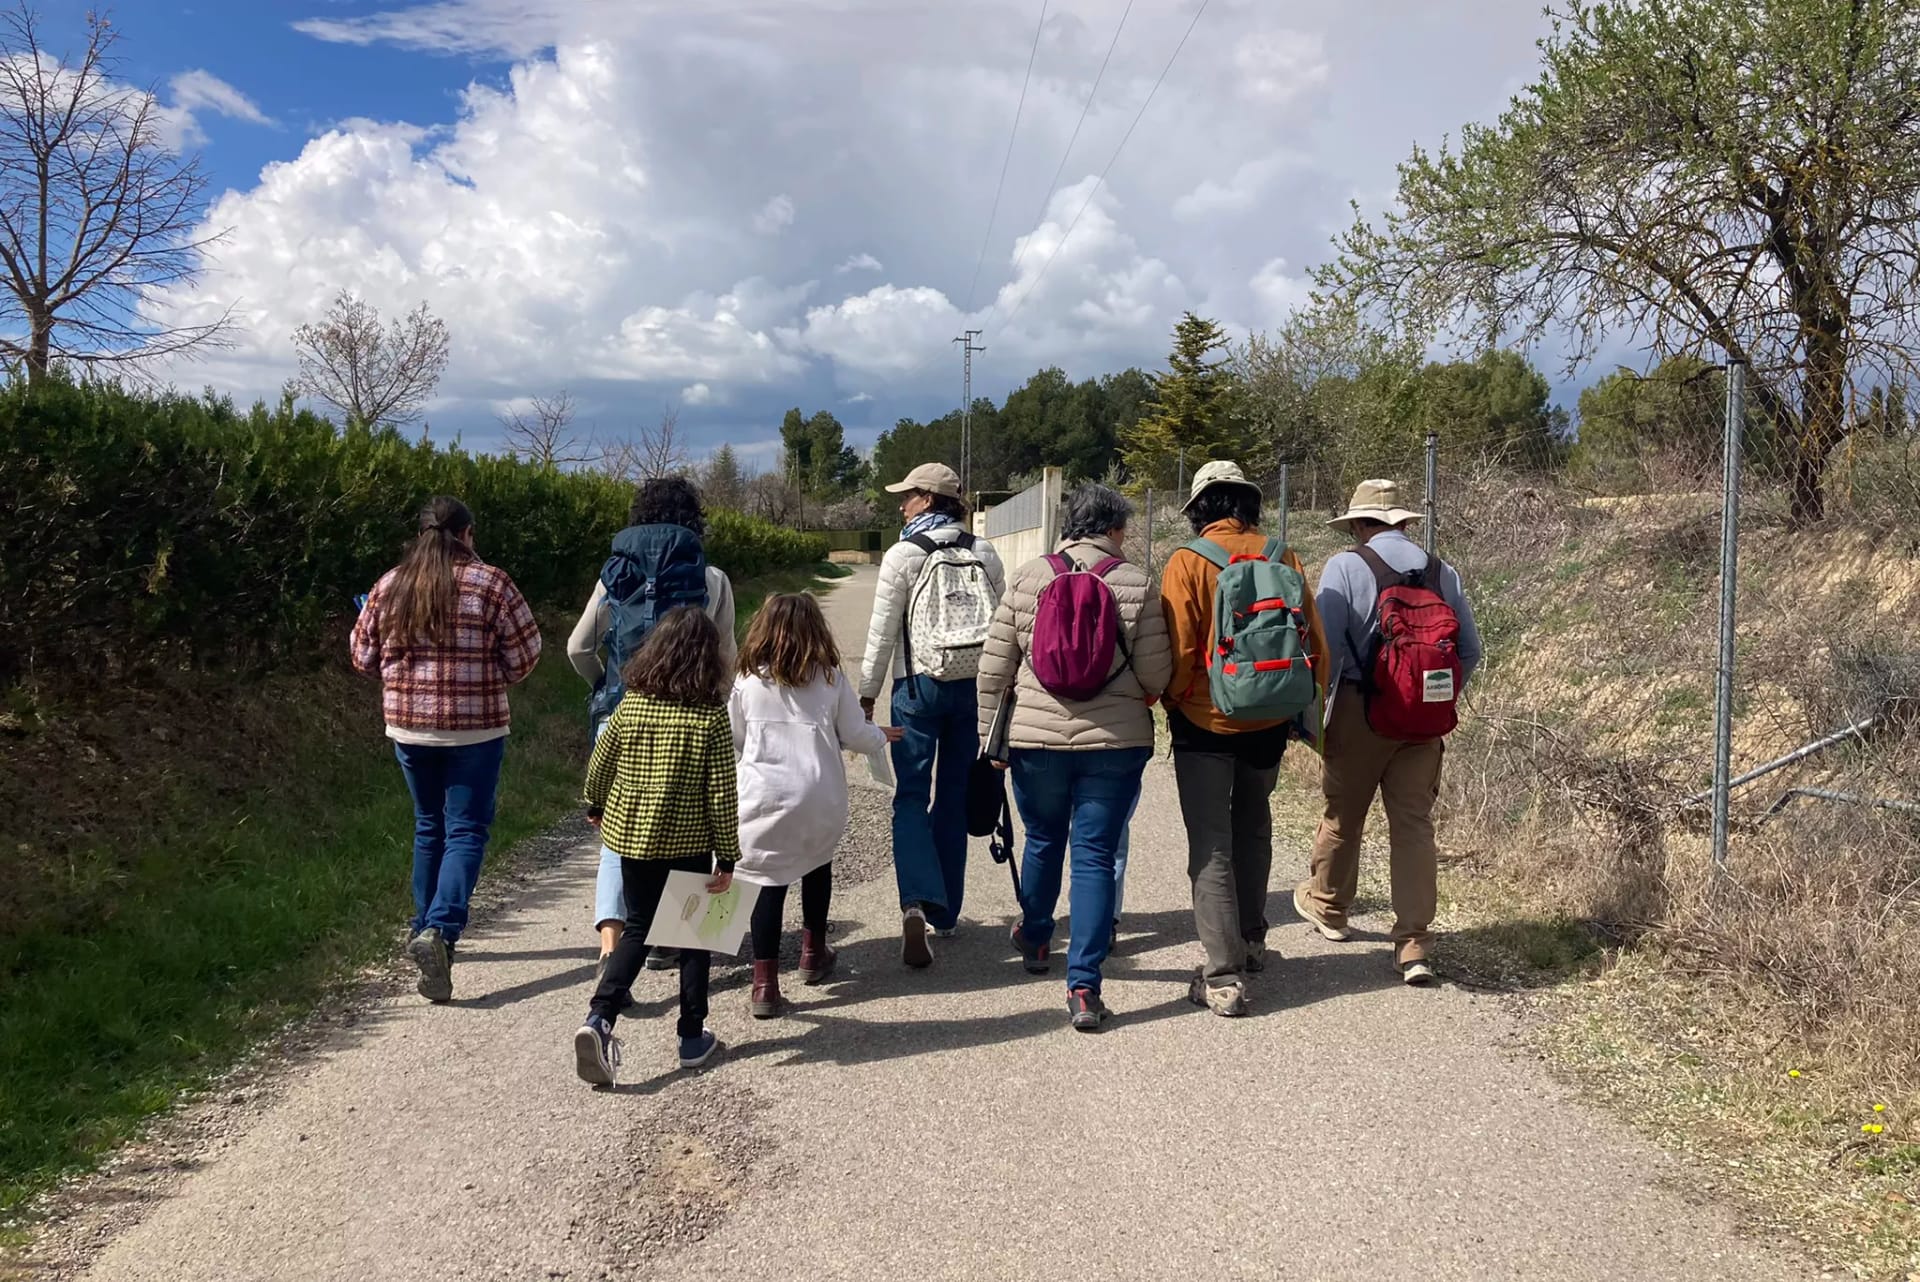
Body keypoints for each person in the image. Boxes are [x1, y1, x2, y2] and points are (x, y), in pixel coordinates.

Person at [976, 483, 1171, 1030]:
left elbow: (994, 668)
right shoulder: (1136, 583)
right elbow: (1157, 674)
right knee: (1094, 855)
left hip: (1036, 741)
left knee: (1042, 839)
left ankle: (1037, 938)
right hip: (1115, 743)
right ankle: (1084, 986)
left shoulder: (1028, 578)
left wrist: (990, 739)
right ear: (1114, 529)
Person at [351, 496, 542, 1004]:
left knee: (428, 824)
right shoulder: (492, 583)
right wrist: (490, 673)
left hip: (409, 729)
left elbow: (362, 656)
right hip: (475, 729)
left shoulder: (390, 584)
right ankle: (441, 929)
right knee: (466, 829)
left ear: (420, 535)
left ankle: (423, 926)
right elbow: (525, 654)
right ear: (467, 534)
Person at [1294, 479, 1482, 986]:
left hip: (1360, 712)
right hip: (1424, 722)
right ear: (1402, 521)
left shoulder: (1346, 567)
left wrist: (1316, 719)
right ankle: (1414, 945)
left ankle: (1330, 907)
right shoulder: (1442, 572)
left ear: (1359, 524)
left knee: (1344, 815)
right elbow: (1470, 651)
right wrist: (1431, 698)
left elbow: (1326, 654)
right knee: (1414, 826)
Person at [1159, 461, 1329, 1017]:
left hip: (1205, 722)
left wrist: (1176, 701)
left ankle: (1223, 976)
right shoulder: (1283, 556)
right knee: (1254, 826)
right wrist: (1298, 709)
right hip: (1271, 718)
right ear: (1249, 504)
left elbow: (1181, 652)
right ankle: (1253, 942)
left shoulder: (1187, 562)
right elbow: (1315, 645)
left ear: (1200, 509)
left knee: (1211, 844)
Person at [567, 476, 737, 986]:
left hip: (624, 712)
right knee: (689, 829)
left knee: (618, 838)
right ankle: (672, 942)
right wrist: (712, 705)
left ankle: (611, 947)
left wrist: (605, 689)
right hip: (691, 717)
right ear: (693, 522)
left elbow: (578, 647)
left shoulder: (614, 575)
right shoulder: (712, 578)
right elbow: (725, 656)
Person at [573, 607, 738, 1084]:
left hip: (634, 839)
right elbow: (722, 793)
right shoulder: (710, 717)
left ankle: (599, 1018)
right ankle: (691, 1035)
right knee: (694, 938)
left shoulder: (632, 705)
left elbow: (602, 760)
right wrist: (727, 855)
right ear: (708, 660)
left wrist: (595, 801)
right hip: (688, 842)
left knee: (638, 928)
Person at [859, 462, 1005, 968]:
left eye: (907, 496)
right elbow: (1003, 624)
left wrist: (866, 695)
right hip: (972, 688)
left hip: (917, 689)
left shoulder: (903, 554)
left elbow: (881, 634)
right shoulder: (983, 550)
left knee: (910, 796)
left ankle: (916, 902)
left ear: (927, 498)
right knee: (954, 795)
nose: (901, 505)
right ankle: (947, 914)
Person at [731, 593, 901, 1018]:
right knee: (817, 865)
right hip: (819, 795)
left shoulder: (747, 681)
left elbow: (736, 738)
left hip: (763, 797)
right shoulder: (829, 678)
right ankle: (813, 952)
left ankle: (765, 983)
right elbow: (855, 733)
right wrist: (880, 736)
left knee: (766, 882)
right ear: (815, 631)